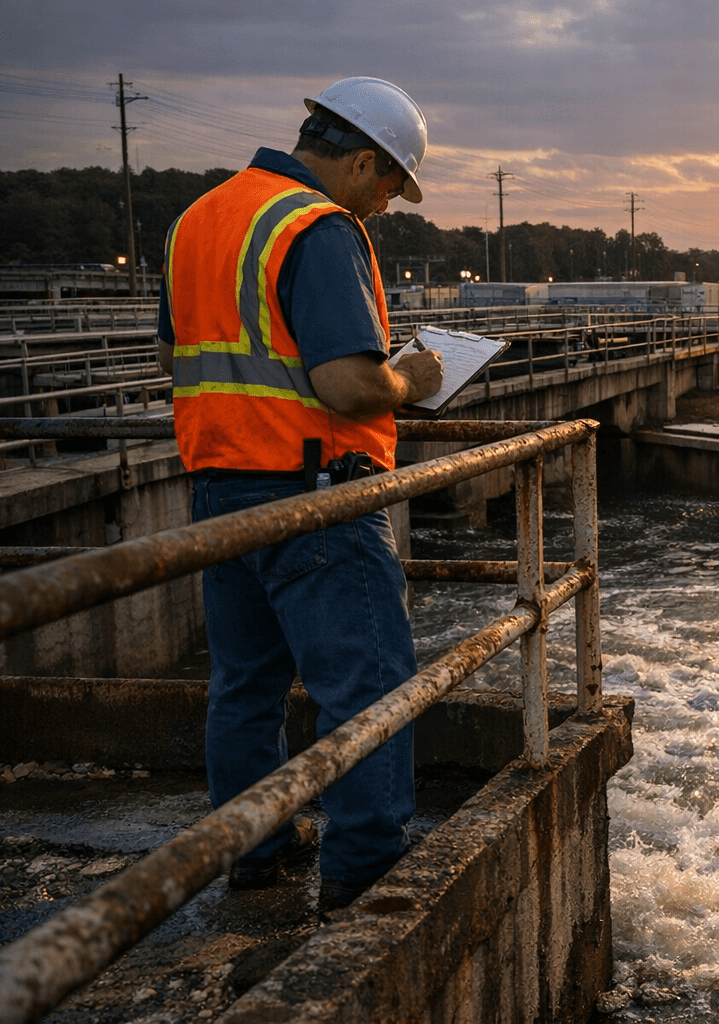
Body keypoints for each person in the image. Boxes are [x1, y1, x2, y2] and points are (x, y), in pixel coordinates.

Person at [156, 77, 444, 913]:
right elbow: (349, 384)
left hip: (220, 493)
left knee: (244, 690)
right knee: (367, 688)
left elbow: (184, 359)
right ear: (360, 162)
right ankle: (364, 874)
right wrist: (412, 377)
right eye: (389, 184)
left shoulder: (196, 221)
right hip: (318, 493)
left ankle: (254, 855)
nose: (387, 205)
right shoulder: (319, 227)